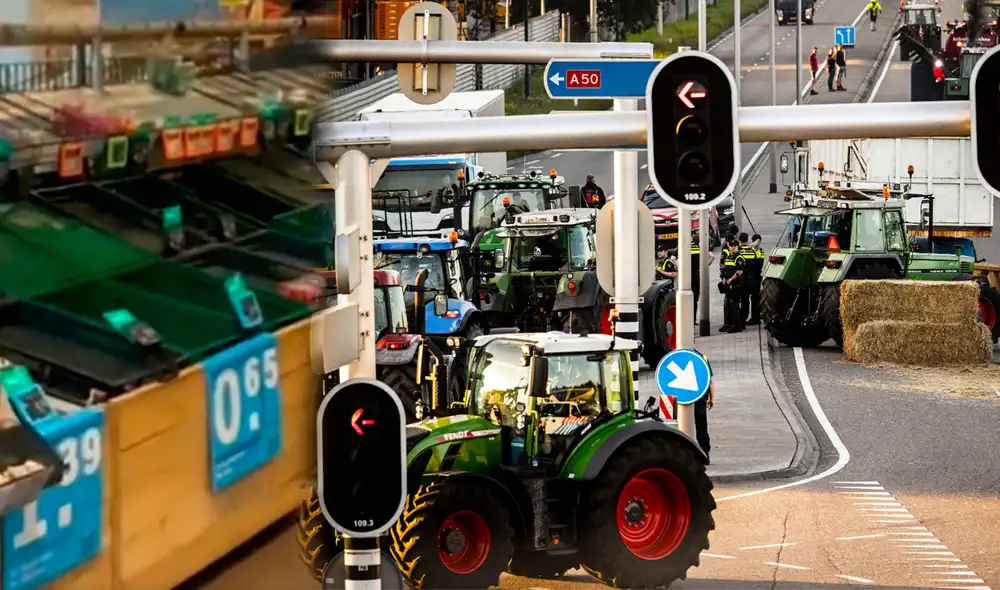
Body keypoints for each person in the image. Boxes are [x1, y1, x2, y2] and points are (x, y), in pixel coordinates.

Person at [692, 349, 715, 462]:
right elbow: (709, 381)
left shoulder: (676, 356)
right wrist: (712, 398)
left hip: (680, 398)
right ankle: (705, 453)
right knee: (701, 425)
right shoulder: (702, 357)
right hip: (700, 398)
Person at [720, 240, 746, 333]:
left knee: (734, 304)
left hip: (736, 284)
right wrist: (723, 278)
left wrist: (731, 279)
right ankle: (728, 323)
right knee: (727, 304)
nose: (733, 247)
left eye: (735, 245)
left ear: (737, 247)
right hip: (728, 284)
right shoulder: (728, 257)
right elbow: (724, 269)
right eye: (731, 245)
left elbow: (739, 272)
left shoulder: (739, 258)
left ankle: (737, 325)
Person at [737, 233, 756, 326]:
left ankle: (737, 320)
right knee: (745, 300)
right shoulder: (751, 251)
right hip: (749, 279)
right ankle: (744, 319)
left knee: (736, 300)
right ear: (747, 241)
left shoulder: (737, 252)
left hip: (738, 279)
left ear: (739, 240)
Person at [748, 234, 765, 325]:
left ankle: (755, 318)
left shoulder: (752, 250)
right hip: (758, 276)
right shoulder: (761, 251)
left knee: (753, 298)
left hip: (752, 277)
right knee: (756, 298)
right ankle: (756, 317)